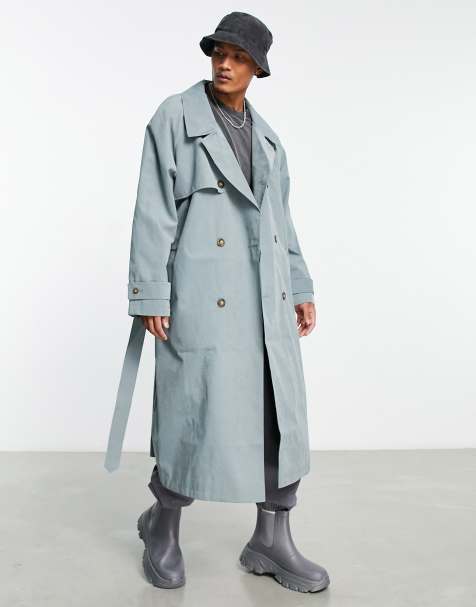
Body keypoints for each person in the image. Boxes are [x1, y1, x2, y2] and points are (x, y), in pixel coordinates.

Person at [105, 11, 330, 593]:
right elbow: (153, 209)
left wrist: (301, 286)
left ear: (258, 69)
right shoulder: (175, 118)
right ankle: (163, 524)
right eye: (218, 53)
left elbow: (282, 223)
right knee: (192, 409)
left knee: (277, 416)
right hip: (203, 298)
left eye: (238, 57)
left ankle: (271, 539)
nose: (225, 65)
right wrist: (150, 291)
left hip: (268, 301)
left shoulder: (269, 140)